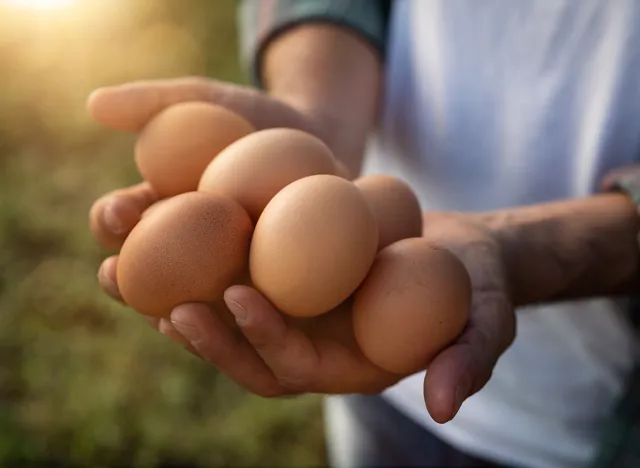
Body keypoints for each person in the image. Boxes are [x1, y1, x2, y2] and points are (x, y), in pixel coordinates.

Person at [87, 1, 640, 467]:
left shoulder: (345, 219)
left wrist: (547, 250)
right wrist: (318, 111)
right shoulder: (335, 211)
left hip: (593, 418)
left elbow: (318, 225)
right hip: (373, 362)